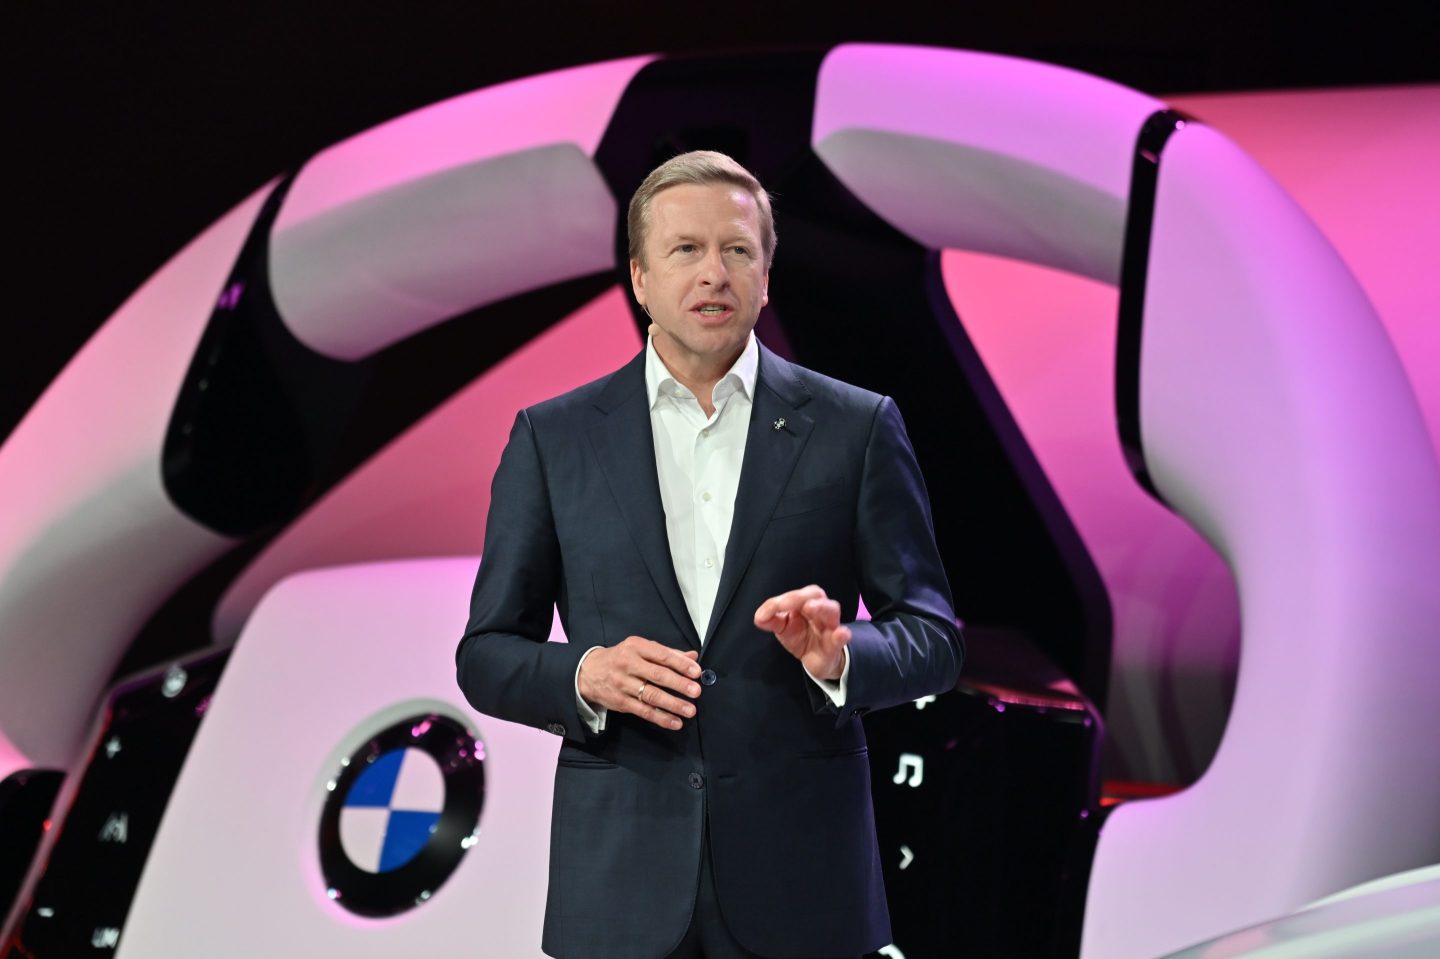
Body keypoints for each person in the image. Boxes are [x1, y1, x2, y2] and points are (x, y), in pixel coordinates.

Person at [456, 150, 961, 959]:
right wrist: (584, 674)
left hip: (804, 885)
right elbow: (485, 654)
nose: (713, 273)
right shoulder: (554, 439)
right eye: (685, 250)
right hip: (619, 887)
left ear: (767, 274)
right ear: (640, 277)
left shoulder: (856, 427)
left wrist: (839, 656)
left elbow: (935, 638)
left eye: (736, 249)